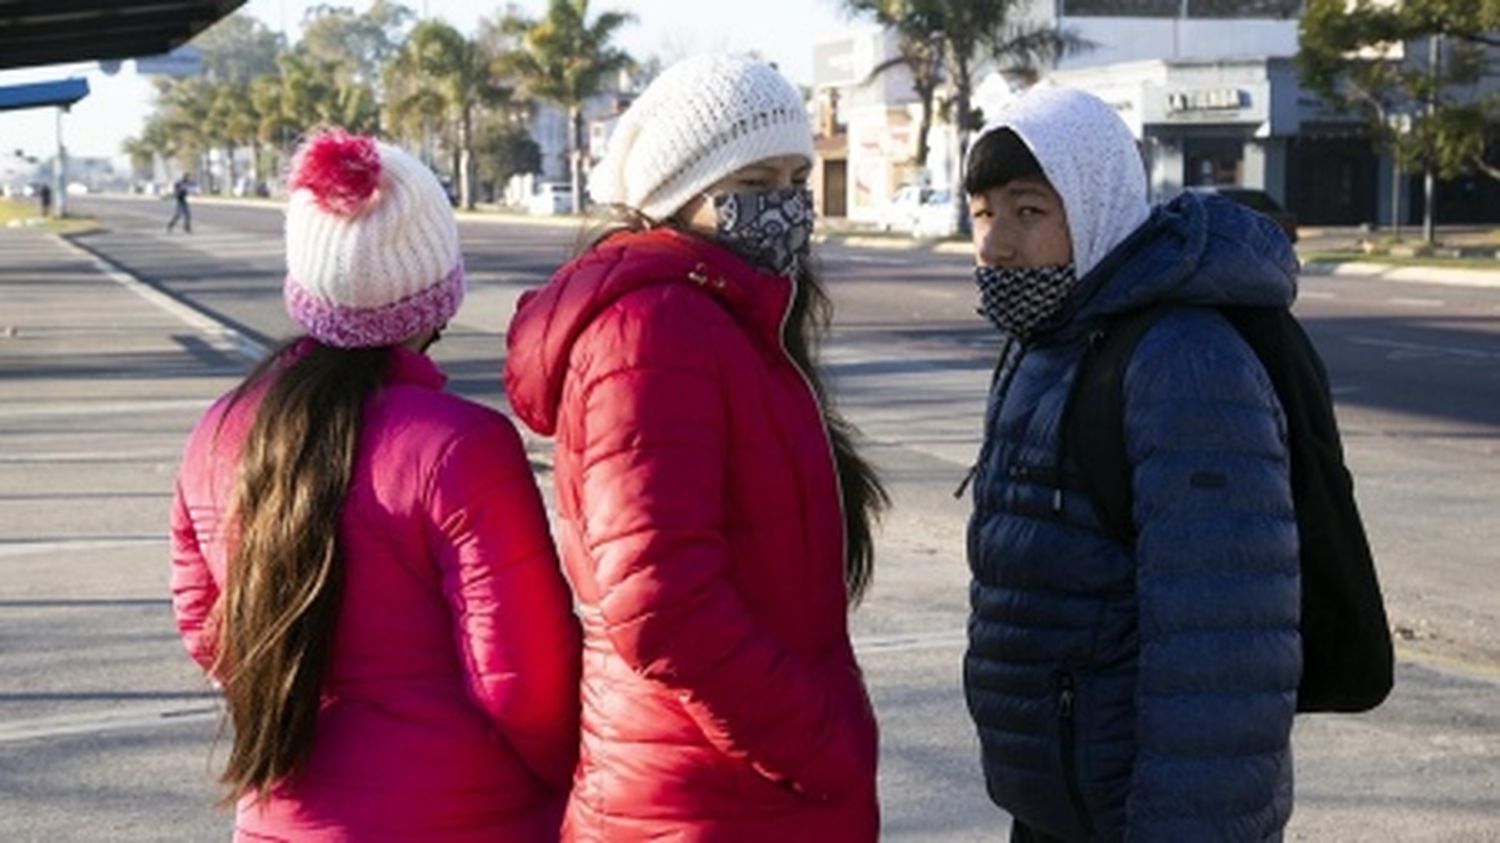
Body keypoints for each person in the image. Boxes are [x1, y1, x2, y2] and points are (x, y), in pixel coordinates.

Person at [504, 55, 887, 842]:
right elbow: (662, 600)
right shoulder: (655, 330)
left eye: (794, 178)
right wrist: (815, 742)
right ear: (680, 197)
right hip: (706, 795)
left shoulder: (732, 316)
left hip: (737, 788)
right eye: (751, 186)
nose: (782, 206)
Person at [170, 130, 581, 841]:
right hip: (463, 813)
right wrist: (564, 776)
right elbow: (523, 680)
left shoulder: (219, 430)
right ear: (436, 293)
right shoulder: (460, 444)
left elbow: (208, 625)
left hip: (280, 813)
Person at [960, 86, 1301, 842]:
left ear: (1097, 205)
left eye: (1028, 211)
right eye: (983, 213)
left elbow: (1221, 645)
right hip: (1061, 801)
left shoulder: (1183, 362)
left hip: (1145, 813)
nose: (996, 244)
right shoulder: (1049, 338)